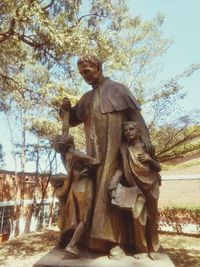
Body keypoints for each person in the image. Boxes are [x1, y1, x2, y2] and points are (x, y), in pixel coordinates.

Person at [59, 55, 153, 257]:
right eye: (81, 73)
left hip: (114, 152)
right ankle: (86, 240)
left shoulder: (119, 90)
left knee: (109, 192)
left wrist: (145, 141)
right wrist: (65, 110)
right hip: (93, 155)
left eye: (87, 71)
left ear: (98, 68)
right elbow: (72, 119)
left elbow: (136, 117)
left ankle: (114, 242)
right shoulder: (87, 97)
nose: (84, 76)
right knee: (92, 195)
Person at [110, 121, 161, 260]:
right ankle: (142, 249)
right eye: (125, 130)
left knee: (153, 217)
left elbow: (158, 167)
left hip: (151, 186)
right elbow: (121, 168)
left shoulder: (148, 147)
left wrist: (150, 159)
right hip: (135, 188)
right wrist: (113, 183)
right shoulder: (124, 148)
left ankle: (154, 248)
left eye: (131, 129)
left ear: (138, 131)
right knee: (138, 218)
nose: (128, 132)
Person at [51, 133, 99, 256]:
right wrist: (96, 145)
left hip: (74, 186)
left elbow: (72, 173)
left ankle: (67, 241)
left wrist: (82, 170)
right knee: (85, 218)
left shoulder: (65, 156)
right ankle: (72, 245)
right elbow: (96, 161)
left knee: (77, 217)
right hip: (84, 186)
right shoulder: (74, 153)